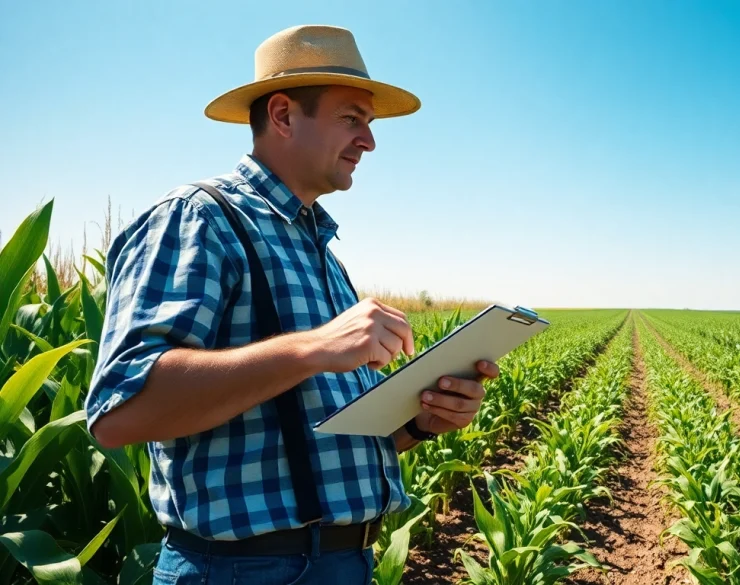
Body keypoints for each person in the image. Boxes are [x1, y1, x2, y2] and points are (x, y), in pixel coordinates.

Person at [85, 24, 498, 584]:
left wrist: (421, 424)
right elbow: (118, 413)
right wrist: (314, 348)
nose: (369, 141)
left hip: (344, 562)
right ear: (282, 115)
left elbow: (311, 447)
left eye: (369, 124)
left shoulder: (322, 253)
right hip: (240, 570)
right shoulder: (200, 219)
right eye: (352, 119)